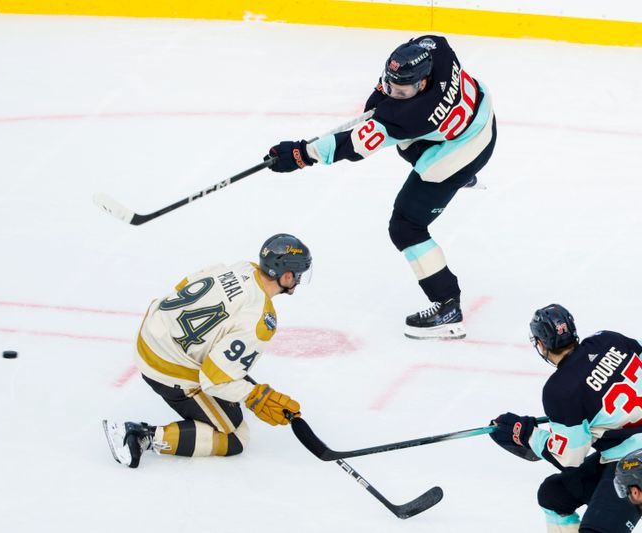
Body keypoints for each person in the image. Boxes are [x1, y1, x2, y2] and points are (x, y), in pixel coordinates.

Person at [265, 35, 496, 340]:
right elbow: (382, 104)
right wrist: (384, 96)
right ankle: (457, 179)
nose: (395, 94)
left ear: (423, 84)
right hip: (482, 117)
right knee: (406, 145)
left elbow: (354, 145)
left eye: (403, 91)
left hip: (463, 153)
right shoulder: (435, 47)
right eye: (392, 86)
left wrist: (301, 154)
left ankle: (447, 307)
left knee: (405, 227)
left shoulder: (412, 115)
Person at [104, 233, 312, 468]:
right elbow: (213, 380)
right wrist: (255, 396)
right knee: (236, 436)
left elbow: (182, 286)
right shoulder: (261, 321)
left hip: (149, 332)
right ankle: (140, 436)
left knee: (227, 391)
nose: (298, 279)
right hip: (163, 365)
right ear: (286, 275)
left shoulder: (240, 268)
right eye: (298, 274)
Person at [488, 304, 642, 532]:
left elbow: (569, 458)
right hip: (626, 455)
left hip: (633, 463)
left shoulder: (560, 390)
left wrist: (525, 434)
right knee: (554, 496)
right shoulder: (608, 339)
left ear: (541, 344)